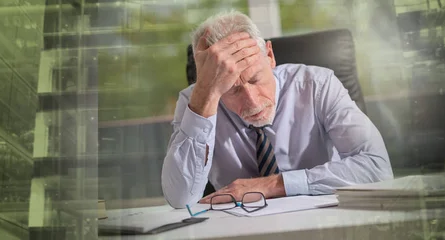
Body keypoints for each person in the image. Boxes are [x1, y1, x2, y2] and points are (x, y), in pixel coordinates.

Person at [161, 10, 393, 208]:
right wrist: (206, 94)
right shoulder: (197, 101)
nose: (252, 102)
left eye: (255, 80)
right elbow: (180, 198)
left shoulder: (317, 85)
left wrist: (273, 185)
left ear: (270, 55)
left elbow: (378, 168)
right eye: (231, 90)